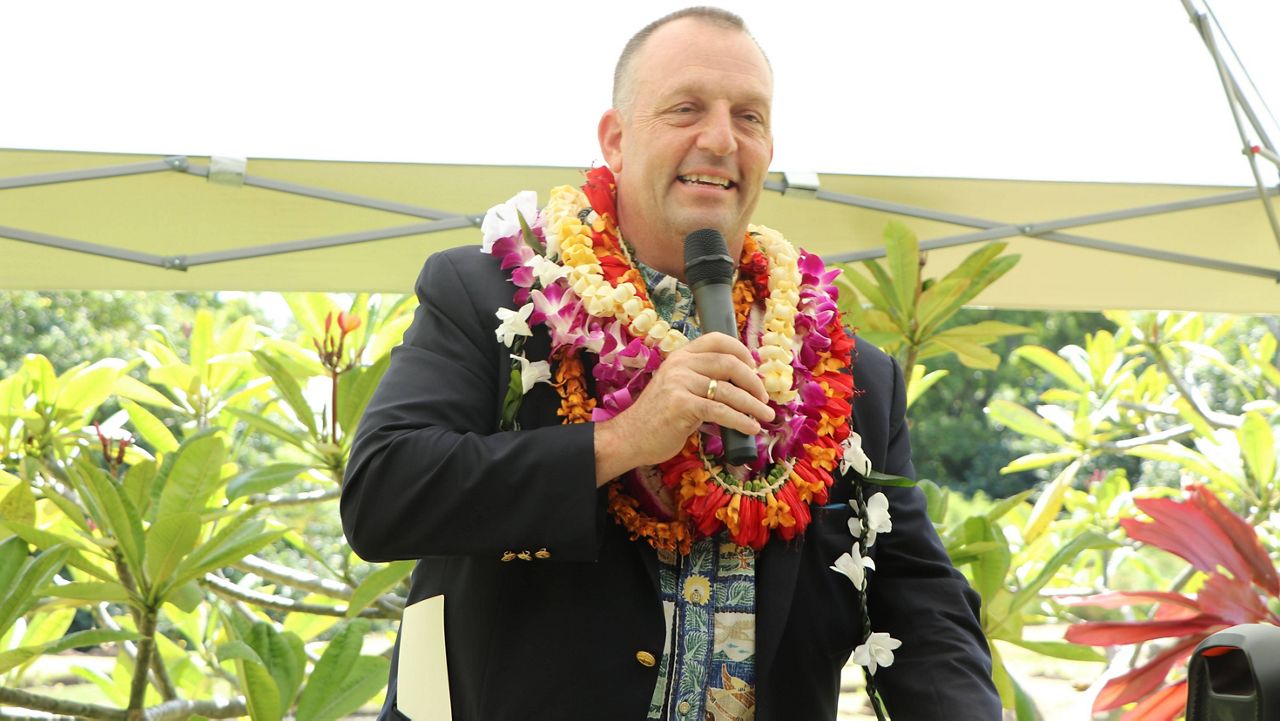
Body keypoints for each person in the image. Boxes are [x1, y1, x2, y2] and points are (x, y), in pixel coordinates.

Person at [342, 7, 1000, 720]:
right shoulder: (496, 298)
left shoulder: (849, 372)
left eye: (749, 117)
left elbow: (920, 597)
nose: (720, 139)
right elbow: (383, 493)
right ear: (616, 141)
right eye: (686, 108)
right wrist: (622, 440)